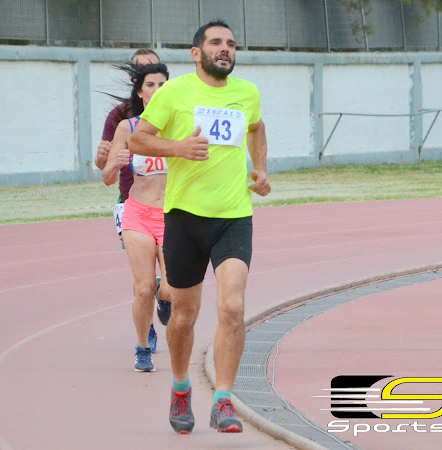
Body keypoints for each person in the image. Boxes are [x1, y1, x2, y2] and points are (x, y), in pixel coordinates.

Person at [128, 20, 271, 433]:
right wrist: (178, 148)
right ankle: (180, 387)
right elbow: (138, 140)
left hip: (233, 216)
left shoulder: (247, 93)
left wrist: (260, 168)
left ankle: (223, 399)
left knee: (233, 307)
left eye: (231, 44)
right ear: (196, 53)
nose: (225, 48)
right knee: (184, 317)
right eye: (216, 43)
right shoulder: (173, 93)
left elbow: (256, 128)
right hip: (184, 218)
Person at [95, 49, 171, 351]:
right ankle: (144, 339)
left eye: (162, 84)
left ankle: (163, 297)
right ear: (137, 87)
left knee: (170, 289)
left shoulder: (180, 124)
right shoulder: (123, 120)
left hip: (172, 213)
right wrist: (110, 160)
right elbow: (104, 168)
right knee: (143, 287)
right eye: (149, 83)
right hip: (133, 206)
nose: (156, 89)